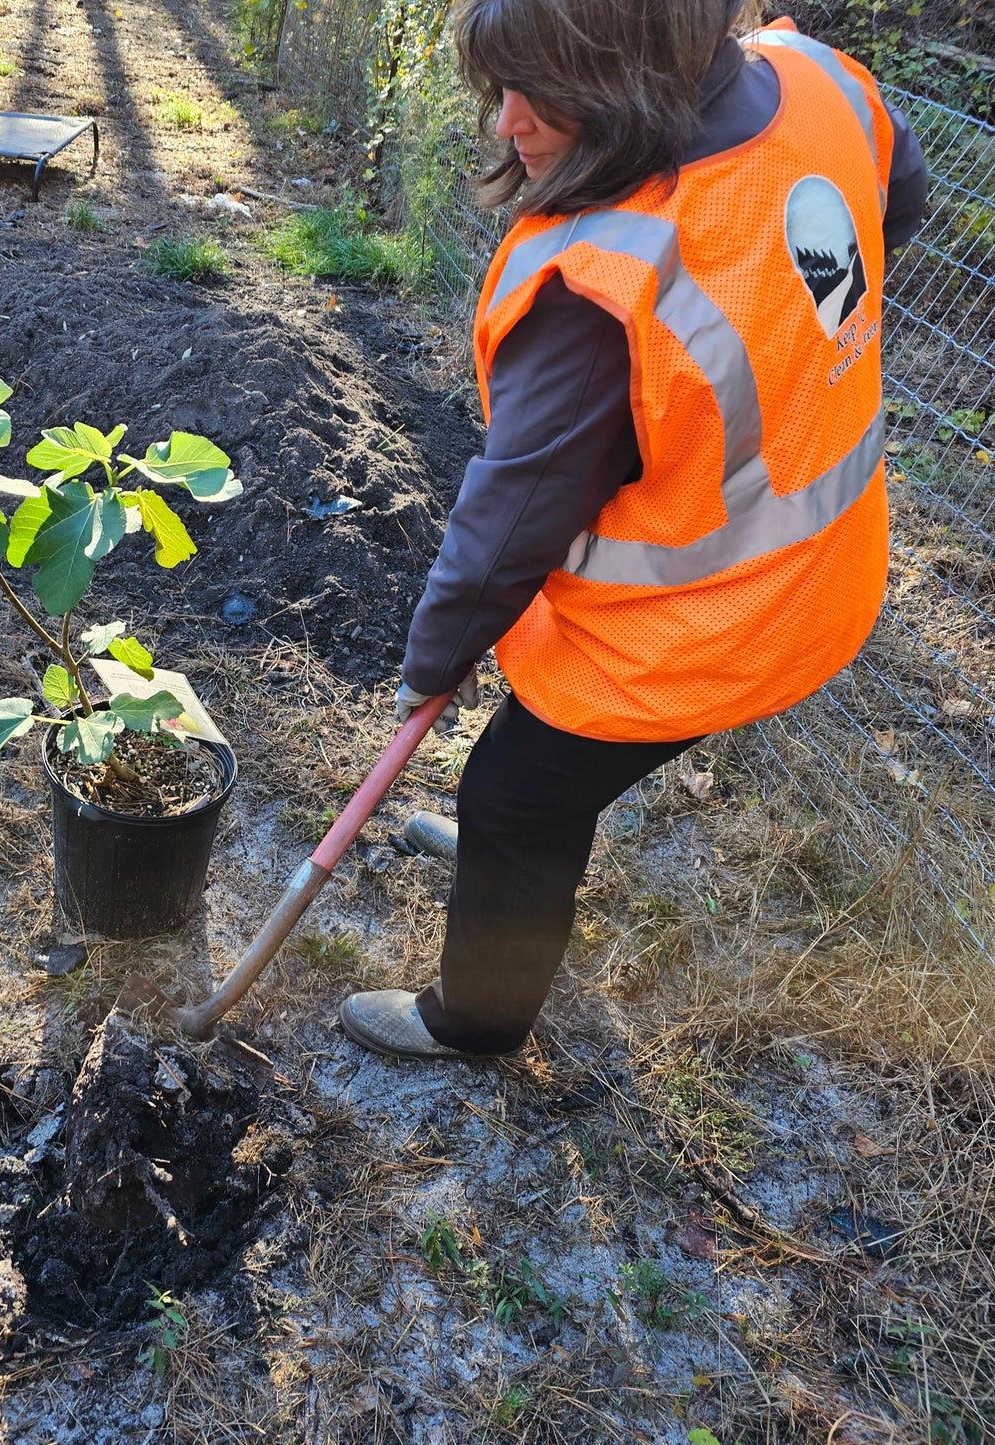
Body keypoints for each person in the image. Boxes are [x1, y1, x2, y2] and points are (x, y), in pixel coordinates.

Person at [338, 0, 929, 1059]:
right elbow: (898, 201)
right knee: (539, 763)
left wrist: (430, 658)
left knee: (514, 791)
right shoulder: (812, 77)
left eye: (540, 89)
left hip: (714, 621)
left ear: (621, 74)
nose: (505, 121)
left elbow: (509, 519)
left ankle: (473, 1019)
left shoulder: (602, 283)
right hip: (824, 562)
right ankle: (502, 861)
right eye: (499, 85)